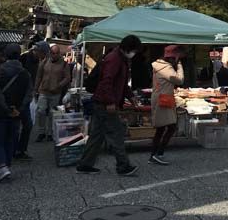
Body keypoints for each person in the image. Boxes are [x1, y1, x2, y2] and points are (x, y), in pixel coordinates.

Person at [75, 35, 140, 176]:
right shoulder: (115, 59)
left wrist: (130, 96)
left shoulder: (119, 58)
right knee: (116, 134)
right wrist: (110, 101)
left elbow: (120, 83)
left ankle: (85, 164)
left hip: (101, 101)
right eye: (134, 50)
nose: (134, 53)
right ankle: (123, 166)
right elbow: (107, 81)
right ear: (129, 48)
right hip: (105, 103)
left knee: (96, 136)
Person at [0, 44, 32, 183]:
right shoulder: (26, 74)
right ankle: (7, 165)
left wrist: (6, 107)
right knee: (10, 139)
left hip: (0, 111)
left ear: (6, 55)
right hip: (17, 112)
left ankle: (2, 166)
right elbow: (29, 94)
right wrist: (18, 108)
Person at [150, 45, 185, 165]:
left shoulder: (159, 65)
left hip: (162, 98)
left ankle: (154, 155)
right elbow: (179, 80)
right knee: (169, 127)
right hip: (163, 99)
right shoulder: (166, 68)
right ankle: (157, 154)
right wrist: (180, 66)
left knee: (163, 128)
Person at [34, 45, 70, 142]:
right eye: (52, 53)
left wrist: (59, 85)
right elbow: (38, 76)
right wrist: (35, 89)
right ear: (50, 53)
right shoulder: (44, 62)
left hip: (56, 92)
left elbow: (67, 78)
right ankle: (41, 131)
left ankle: (50, 132)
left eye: (56, 53)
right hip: (43, 91)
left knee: (52, 113)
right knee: (40, 111)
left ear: (59, 53)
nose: (54, 55)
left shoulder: (64, 64)